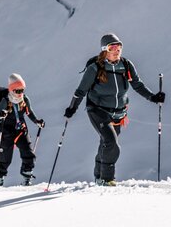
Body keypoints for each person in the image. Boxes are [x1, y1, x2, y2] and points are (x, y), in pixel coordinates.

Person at [64, 33, 165, 185]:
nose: (117, 50)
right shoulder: (95, 68)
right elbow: (81, 91)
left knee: (106, 143)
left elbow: (137, 84)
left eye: (119, 46)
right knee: (111, 143)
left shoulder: (126, 65)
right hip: (98, 110)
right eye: (113, 47)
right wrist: (72, 108)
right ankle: (107, 178)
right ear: (105, 50)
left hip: (119, 112)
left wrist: (153, 97)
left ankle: (98, 176)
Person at [0, 74, 45, 187]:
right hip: (7, 131)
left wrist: (37, 121)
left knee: (28, 153)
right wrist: (0, 116)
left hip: (20, 130)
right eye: (17, 90)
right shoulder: (5, 100)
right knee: (4, 159)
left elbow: (29, 112)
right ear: (11, 89)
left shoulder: (24, 99)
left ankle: (27, 177)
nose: (20, 93)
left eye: (22, 90)